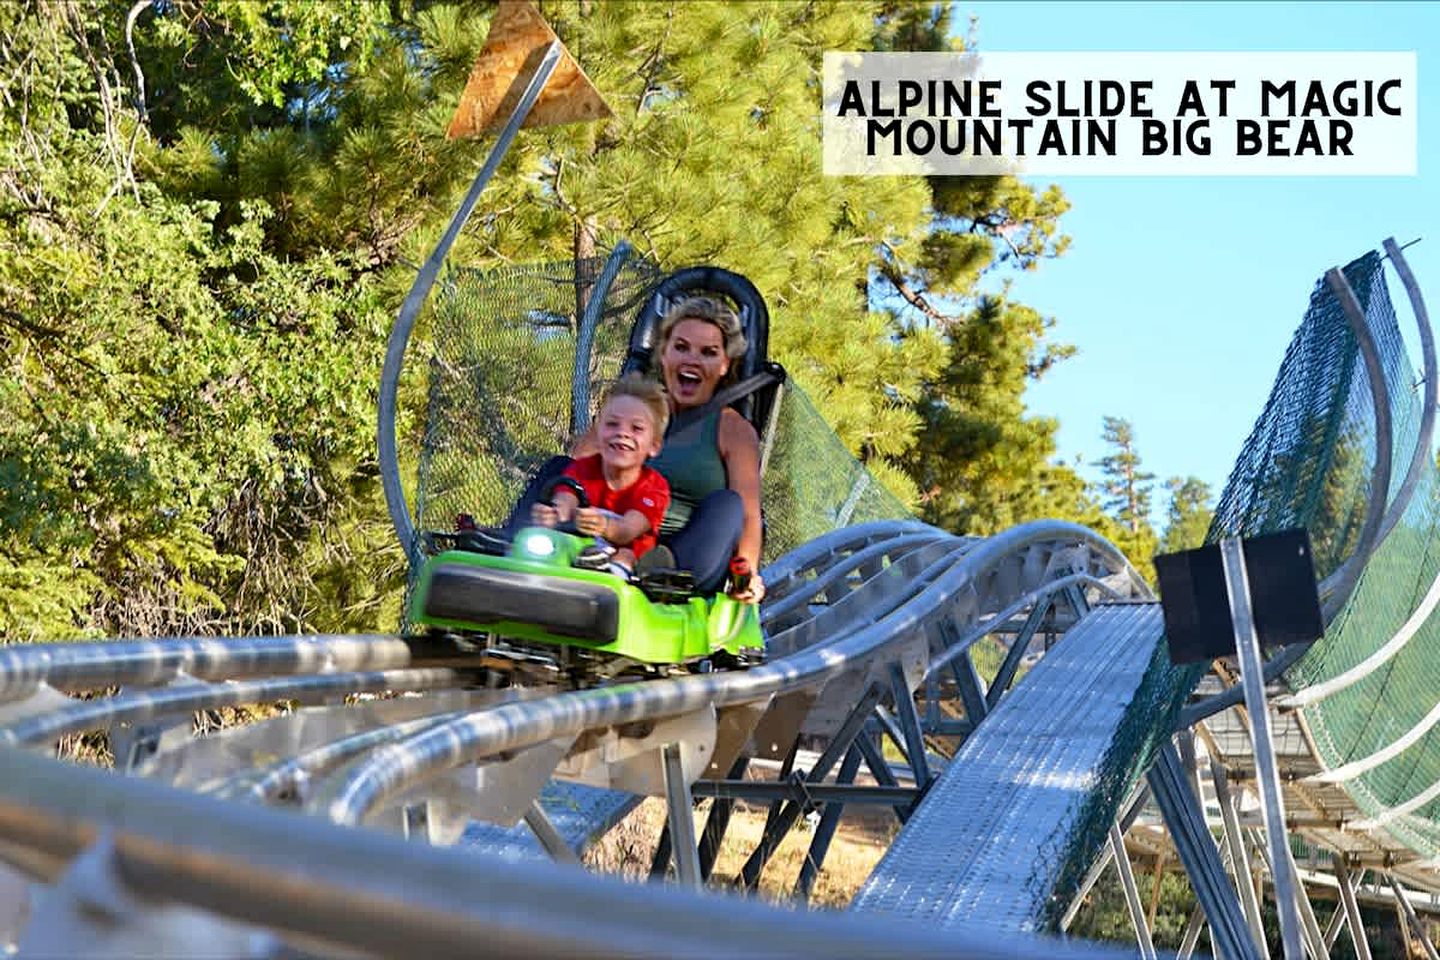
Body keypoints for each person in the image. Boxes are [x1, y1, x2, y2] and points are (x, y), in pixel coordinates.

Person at [575, 296, 766, 604]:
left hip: (680, 560)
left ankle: (651, 572)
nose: (691, 359)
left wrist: (749, 573)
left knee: (728, 506)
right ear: (663, 354)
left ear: (723, 366)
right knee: (558, 471)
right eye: (681, 347)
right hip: (607, 533)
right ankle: (513, 543)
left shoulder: (733, 430)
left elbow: (748, 515)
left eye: (708, 353)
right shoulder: (626, 414)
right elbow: (577, 469)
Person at [530, 374, 670, 579]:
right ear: (598, 431)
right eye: (612, 424)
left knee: (627, 554)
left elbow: (627, 530)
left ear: (654, 446)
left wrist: (603, 525)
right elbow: (565, 499)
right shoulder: (583, 469)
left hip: (625, 552)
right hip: (581, 546)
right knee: (547, 541)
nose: (622, 433)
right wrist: (553, 514)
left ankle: (612, 577)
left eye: (636, 428)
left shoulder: (654, 487)